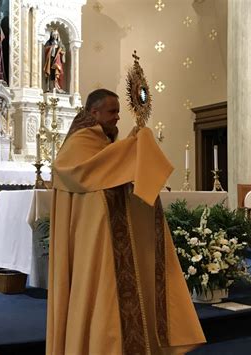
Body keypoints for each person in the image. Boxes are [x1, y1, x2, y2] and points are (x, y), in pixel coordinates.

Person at [46, 89, 205, 354]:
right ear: (93, 113)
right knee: (100, 295)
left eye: (119, 111)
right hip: (93, 240)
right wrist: (132, 148)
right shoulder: (79, 142)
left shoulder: (106, 143)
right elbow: (83, 172)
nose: (118, 117)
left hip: (107, 236)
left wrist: (132, 146)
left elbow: (110, 169)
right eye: (112, 112)